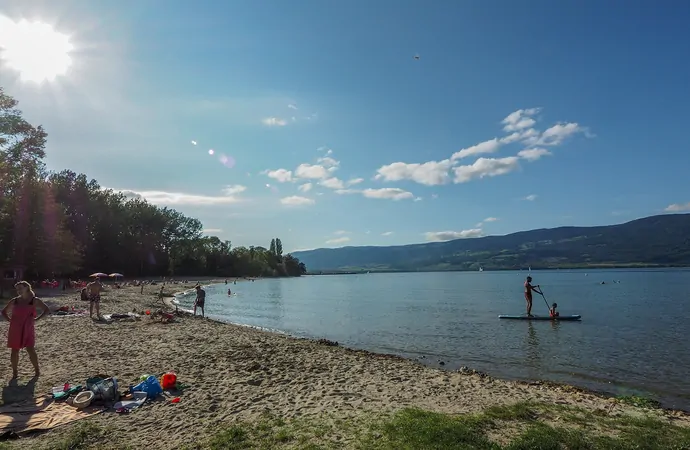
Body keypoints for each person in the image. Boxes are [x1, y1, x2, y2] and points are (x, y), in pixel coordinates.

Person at [2, 281, 49, 378]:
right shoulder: (14, 301)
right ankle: (15, 372)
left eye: (20, 288)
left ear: (27, 288)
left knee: (30, 349)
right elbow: (4, 312)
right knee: (14, 350)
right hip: (15, 328)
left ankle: (37, 370)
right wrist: (10, 321)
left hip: (28, 327)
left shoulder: (34, 300)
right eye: (17, 289)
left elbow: (46, 310)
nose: (18, 291)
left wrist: (37, 319)